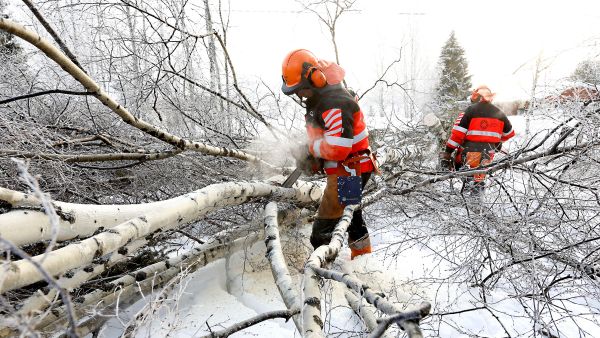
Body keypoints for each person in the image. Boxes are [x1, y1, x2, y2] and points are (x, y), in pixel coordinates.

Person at [281, 49, 376, 259]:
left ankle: (322, 276)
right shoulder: (321, 98)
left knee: (322, 232)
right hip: (350, 168)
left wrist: (311, 150)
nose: (299, 94)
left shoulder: (336, 103)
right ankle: (364, 261)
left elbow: (338, 148)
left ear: (315, 78)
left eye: (301, 89)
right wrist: (312, 156)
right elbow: (326, 137)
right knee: (353, 219)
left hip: (350, 170)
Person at [439, 85, 515, 194]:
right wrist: (497, 140)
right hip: (488, 155)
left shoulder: (470, 111)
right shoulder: (499, 113)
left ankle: (467, 201)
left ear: (476, 97)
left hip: (468, 153)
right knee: (478, 178)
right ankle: (475, 202)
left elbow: (457, 135)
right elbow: (509, 133)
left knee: (466, 174)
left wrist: (448, 151)